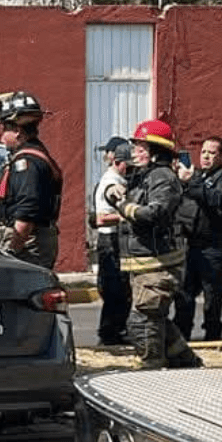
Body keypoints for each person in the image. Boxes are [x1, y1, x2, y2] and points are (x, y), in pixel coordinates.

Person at [106, 119, 202, 369]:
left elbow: (154, 214)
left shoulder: (162, 177)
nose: (134, 152)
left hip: (157, 266)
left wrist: (122, 206)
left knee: (142, 322)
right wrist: (113, 192)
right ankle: (187, 363)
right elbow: (129, 196)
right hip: (144, 265)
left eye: (140, 147)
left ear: (155, 151)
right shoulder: (146, 177)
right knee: (155, 318)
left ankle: (152, 370)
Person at [0, 91, 62, 271]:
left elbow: (26, 213)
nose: (1, 135)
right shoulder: (23, 158)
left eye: (4, 128)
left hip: (27, 245)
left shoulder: (28, 164)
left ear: (17, 131)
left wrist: (11, 251)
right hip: (26, 241)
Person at [172, 136, 222, 341]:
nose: (206, 157)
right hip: (191, 245)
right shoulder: (197, 176)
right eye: (203, 152)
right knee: (184, 294)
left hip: (213, 248)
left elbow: (217, 199)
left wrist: (191, 181)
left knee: (212, 297)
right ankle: (181, 336)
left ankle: (212, 337)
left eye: (212, 153)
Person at [92, 140, 133, 346]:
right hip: (109, 240)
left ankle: (118, 329)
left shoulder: (119, 179)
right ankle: (109, 333)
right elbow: (100, 218)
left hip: (116, 240)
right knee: (114, 289)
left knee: (122, 288)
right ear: (118, 162)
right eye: (128, 164)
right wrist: (127, 216)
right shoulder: (110, 182)